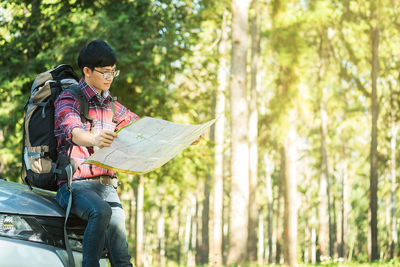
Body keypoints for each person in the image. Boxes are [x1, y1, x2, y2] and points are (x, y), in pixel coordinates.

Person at [54, 40, 138, 267]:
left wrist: (181, 139)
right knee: (100, 212)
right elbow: (72, 130)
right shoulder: (69, 98)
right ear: (87, 71)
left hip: (107, 187)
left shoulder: (112, 105)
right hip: (74, 187)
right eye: (105, 72)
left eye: (113, 71)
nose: (110, 77)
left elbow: (141, 129)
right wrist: (94, 139)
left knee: (122, 259)